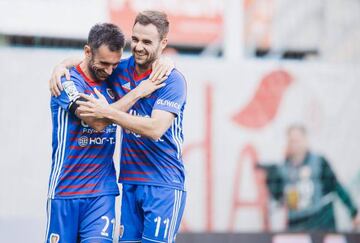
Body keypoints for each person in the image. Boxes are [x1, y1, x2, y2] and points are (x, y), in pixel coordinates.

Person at [50, 11, 187, 243]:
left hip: (163, 183)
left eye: (147, 42)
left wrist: (108, 112)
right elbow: (93, 61)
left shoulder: (171, 80)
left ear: (163, 43)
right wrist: (61, 65)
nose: (139, 47)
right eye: (135, 40)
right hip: (130, 182)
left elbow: (155, 129)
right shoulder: (119, 70)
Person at [264, 124, 359, 231]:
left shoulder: (319, 162)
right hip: (296, 223)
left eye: (297, 140)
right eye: (291, 141)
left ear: (305, 140)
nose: (294, 145)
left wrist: (354, 212)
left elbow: (336, 187)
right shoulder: (282, 168)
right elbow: (277, 196)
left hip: (320, 221)